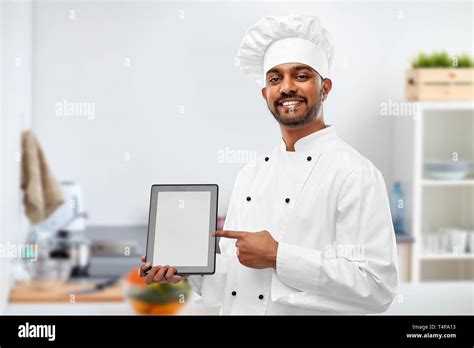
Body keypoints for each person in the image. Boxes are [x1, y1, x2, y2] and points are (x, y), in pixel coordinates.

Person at [140, 14, 398, 315]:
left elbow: (378, 287)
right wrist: (187, 269)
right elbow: (236, 284)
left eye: (301, 76)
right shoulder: (251, 174)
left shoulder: (355, 173)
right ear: (266, 94)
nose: (287, 87)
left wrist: (278, 256)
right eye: (275, 79)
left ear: (325, 87)